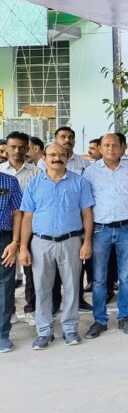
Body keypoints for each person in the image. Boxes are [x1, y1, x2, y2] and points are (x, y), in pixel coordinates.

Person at [19, 143, 95, 349]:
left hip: (71, 242)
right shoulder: (34, 184)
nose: (57, 158)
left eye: (62, 154)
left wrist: (87, 242)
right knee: (42, 288)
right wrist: (23, 247)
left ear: (68, 157)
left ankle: (70, 329)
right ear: (44, 158)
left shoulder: (79, 182)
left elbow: (87, 215)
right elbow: (27, 218)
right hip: (41, 242)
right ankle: (44, 332)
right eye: (52, 154)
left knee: (72, 287)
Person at [82, 133, 128, 339]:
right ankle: (100, 320)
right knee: (99, 279)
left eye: (114, 145)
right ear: (100, 148)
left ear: (122, 147)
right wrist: (86, 237)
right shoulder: (90, 172)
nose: (110, 149)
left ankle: (124, 317)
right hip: (100, 230)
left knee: (126, 277)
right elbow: (86, 207)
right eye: (106, 145)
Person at [1, 131, 41, 327]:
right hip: (6, 227)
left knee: (30, 270)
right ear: (6, 149)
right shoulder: (2, 171)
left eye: (21, 147)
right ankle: (9, 311)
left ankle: (30, 309)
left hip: (30, 227)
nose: (17, 150)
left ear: (27, 148)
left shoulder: (36, 172)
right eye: (13, 147)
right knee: (8, 275)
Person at [0, 166, 22, 353]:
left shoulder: (9, 181)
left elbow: (17, 213)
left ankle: (2, 334)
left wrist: (15, 242)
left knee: (5, 287)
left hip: (4, 240)